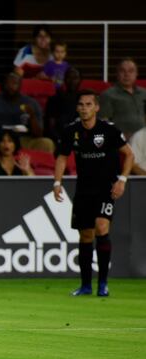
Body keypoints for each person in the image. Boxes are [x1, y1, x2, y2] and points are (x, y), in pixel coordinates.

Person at [53, 90, 134, 297]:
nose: (84, 108)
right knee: (86, 234)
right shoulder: (71, 130)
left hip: (106, 187)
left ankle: (103, 284)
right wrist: (57, 182)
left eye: (89, 104)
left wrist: (122, 180)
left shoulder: (108, 130)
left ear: (96, 107)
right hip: (84, 189)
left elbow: (129, 154)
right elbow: (62, 157)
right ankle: (86, 285)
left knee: (101, 226)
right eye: (81, 104)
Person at [0, 72, 54, 153]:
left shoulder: (31, 103)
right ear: (3, 85)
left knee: (47, 143)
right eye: (8, 84)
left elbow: (39, 134)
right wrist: (7, 136)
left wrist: (32, 117)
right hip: (0, 140)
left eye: (14, 84)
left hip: (24, 140)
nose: (11, 87)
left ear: (20, 85)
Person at [99, 58, 146, 139]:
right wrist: (121, 136)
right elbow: (103, 123)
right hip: (122, 141)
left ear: (136, 74)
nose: (126, 74)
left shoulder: (144, 93)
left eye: (131, 71)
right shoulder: (108, 95)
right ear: (117, 74)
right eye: (122, 71)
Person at [45, 67, 82, 142]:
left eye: (75, 78)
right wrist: (59, 139)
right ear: (64, 80)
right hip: (61, 136)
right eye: (69, 78)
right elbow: (51, 125)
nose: (72, 81)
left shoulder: (86, 100)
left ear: (80, 80)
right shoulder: (54, 99)